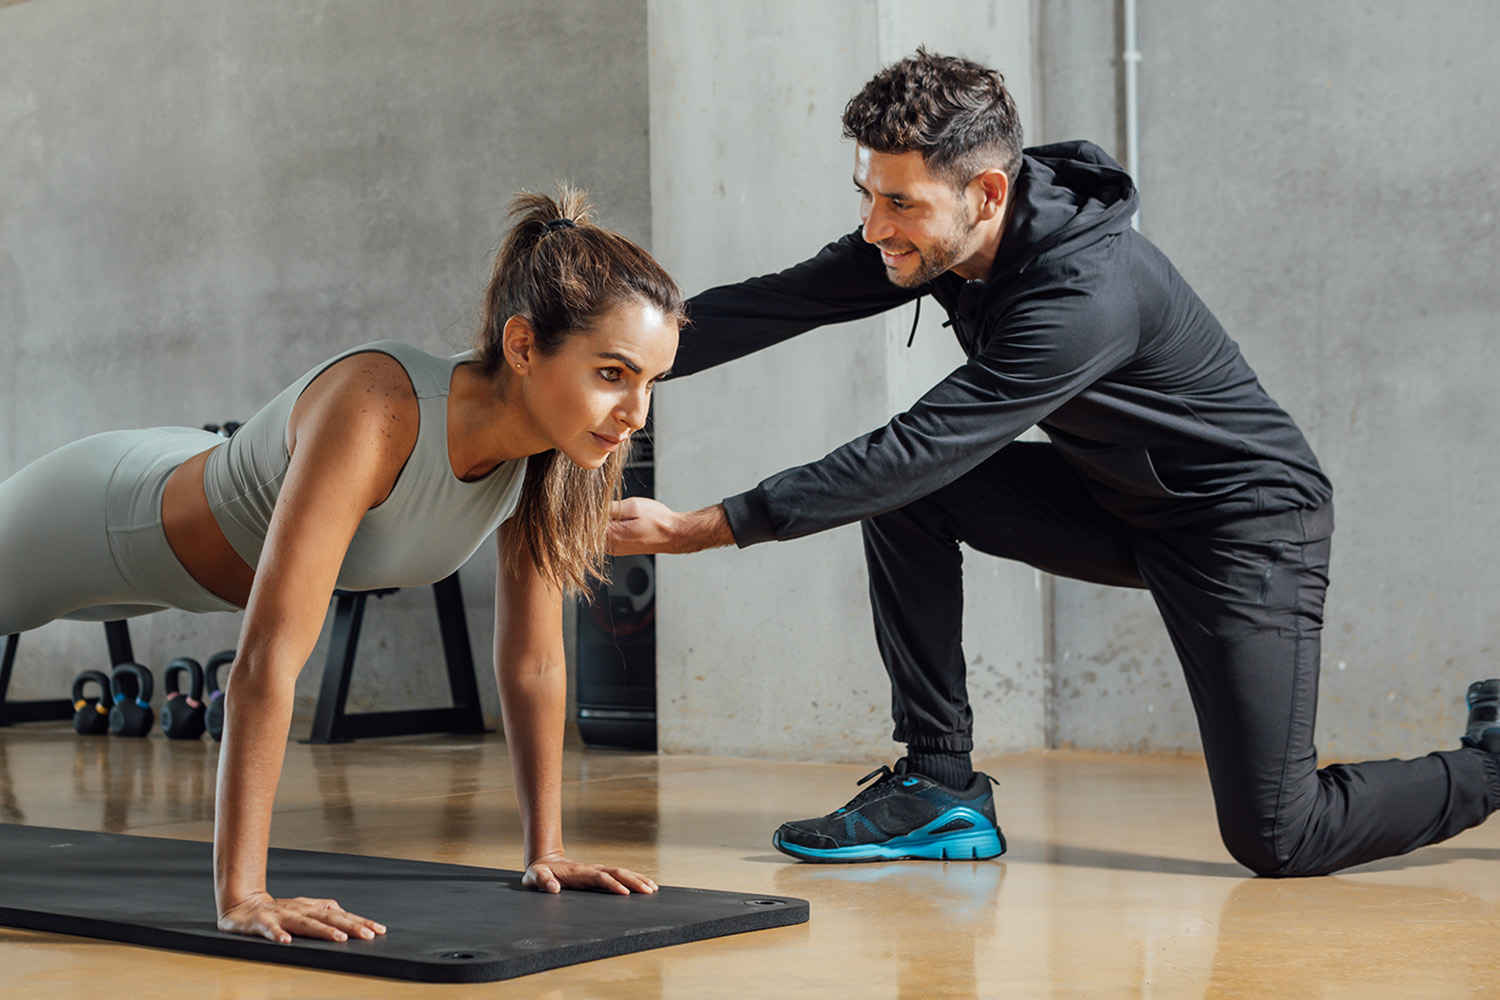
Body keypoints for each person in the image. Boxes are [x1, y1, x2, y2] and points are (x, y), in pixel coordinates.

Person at [609, 49, 1500, 874]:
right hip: (1117, 501)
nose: (874, 227)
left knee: (1281, 834)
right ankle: (940, 786)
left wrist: (704, 528)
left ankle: (1494, 760)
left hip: (1244, 528)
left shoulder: (1085, 293)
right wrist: (593, 362)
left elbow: (927, 440)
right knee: (914, 496)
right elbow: (775, 304)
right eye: (868, 195)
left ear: (987, 192)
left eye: (900, 203)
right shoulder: (940, 238)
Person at [0, 188, 680, 941]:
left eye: (651, 382)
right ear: (522, 347)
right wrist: (243, 895)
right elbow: (265, 661)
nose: (637, 413)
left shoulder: (556, 456)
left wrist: (546, 850)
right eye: (614, 374)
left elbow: (535, 662)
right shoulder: (379, 405)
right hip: (97, 519)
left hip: (174, 532)